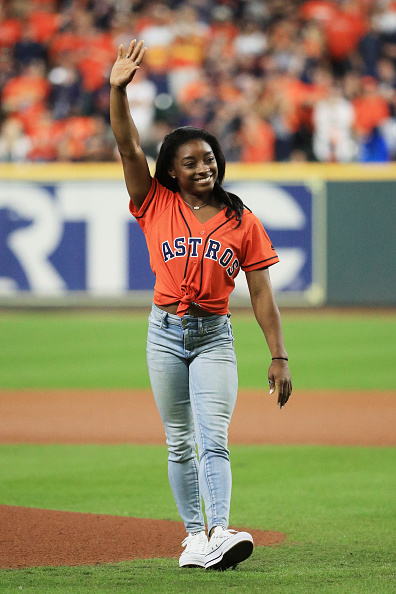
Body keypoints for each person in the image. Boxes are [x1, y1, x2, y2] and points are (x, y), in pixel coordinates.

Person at [110, 40, 292, 571]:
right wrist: (117, 90)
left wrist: (279, 356)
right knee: (178, 442)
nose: (203, 166)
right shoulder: (154, 202)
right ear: (170, 171)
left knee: (213, 440)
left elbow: (261, 293)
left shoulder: (241, 219)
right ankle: (195, 538)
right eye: (189, 162)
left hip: (214, 336)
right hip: (164, 333)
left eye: (208, 158)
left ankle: (218, 530)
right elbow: (127, 146)